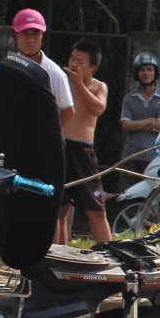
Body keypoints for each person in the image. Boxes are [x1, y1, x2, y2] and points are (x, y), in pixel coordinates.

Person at [58, 40, 114, 245]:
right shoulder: (60, 81)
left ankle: (109, 252)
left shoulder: (99, 86)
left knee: (96, 208)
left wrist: (79, 84)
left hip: (83, 150)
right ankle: (59, 254)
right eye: (72, 58)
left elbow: (98, 109)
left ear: (93, 67)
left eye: (80, 61)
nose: (74, 64)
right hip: (62, 146)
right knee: (59, 209)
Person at [119, 51, 160, 179]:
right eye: (142, 70)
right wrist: (150, 120)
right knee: (130, 195)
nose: (146, 73)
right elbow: (125, 125)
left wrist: (136, 125)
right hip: (131, 155)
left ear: (155, 72)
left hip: (155, 156)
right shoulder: (129, 98)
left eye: (149, 69)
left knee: (152, 195)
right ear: (136, 73)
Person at [9, 8, 75, 115]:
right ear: (15, 35)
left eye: (35, 33)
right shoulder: (8, 68)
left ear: (42, 35)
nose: (30, 39)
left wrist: (50, 131)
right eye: (25, 33)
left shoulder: (54, 73)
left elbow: (68, 110)